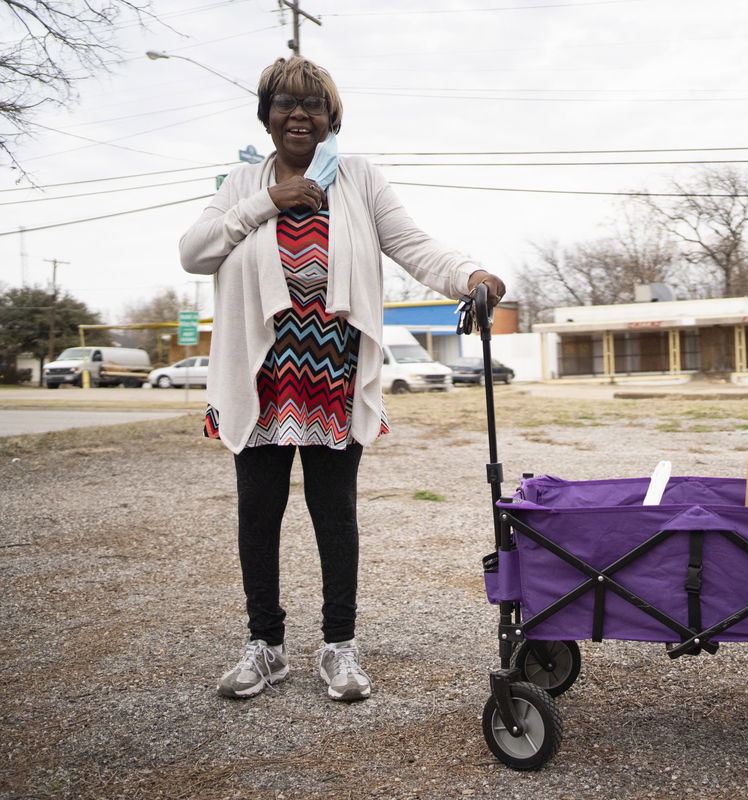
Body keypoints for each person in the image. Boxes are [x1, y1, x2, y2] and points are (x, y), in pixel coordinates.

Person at [179, 56, 505, 702]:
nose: (298, 114)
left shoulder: (357, 179)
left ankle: (339, 648)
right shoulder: (244, 181)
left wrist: (472, 275)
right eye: (284, 104)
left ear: (331, 118)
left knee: (335, 515)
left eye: (313, 105)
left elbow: (413, 245)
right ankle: (265, 647)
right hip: (261, 376)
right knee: (258, 515)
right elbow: (195, 251)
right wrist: (269, 203)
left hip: (333, 374)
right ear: (266, 116)